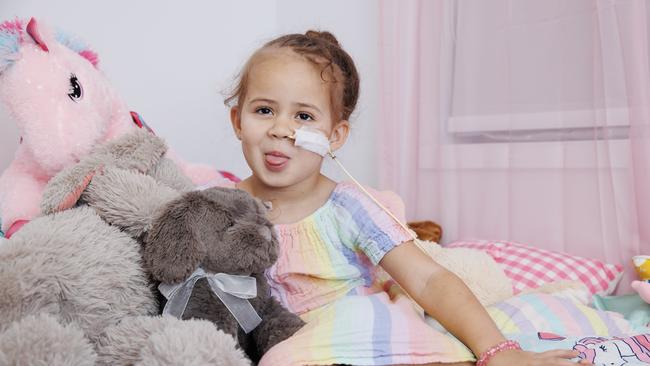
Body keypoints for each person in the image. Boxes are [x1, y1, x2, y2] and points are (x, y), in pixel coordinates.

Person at [221, 30, 589, 366]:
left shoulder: (349, 207)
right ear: (238, 120)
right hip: (286, 345)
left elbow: (429, 280)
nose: (281, 129)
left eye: (303, 116)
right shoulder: (216, 209)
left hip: (357, 334)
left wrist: (498, 350)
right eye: (264, 110)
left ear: (334, 136)